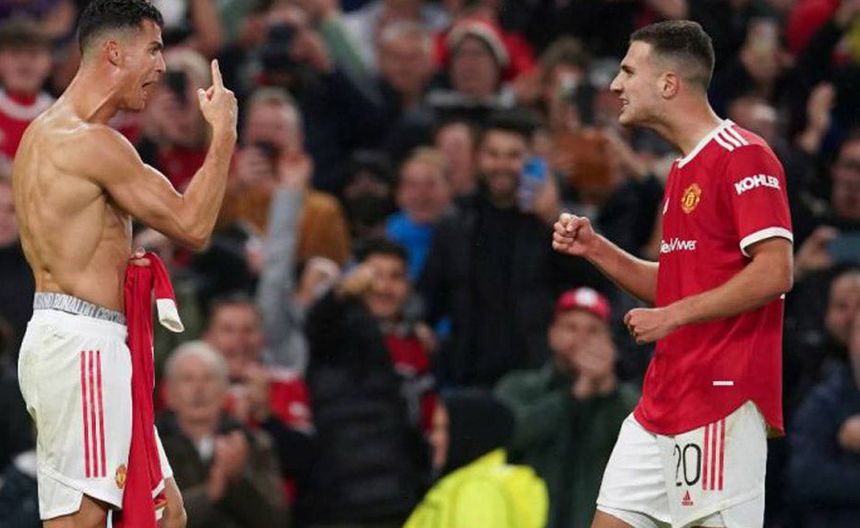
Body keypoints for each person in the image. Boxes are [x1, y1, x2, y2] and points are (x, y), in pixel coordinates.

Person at [553, 21, 793, 528]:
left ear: (668, 84)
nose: (615, 85)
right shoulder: (683, 170)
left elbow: (775, 270)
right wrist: (596, 249)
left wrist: (673, 316)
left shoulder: (743, 155)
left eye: (627, 71)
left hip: (721, 394)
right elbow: (678, 283)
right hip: (663, 398)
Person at [12, 0, 237, 526]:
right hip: (83, 347)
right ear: (114, 52)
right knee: (81, 521)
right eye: (154, 49)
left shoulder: (46, 134)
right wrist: (223, 134)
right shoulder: (92, 144)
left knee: (165, 515)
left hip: (83, 341)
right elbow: (193, 225)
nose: (162, 66)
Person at [495, 288, 639, 528]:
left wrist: (608, 391)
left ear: (609, 342)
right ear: (552, 334)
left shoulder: (628, 401)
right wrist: (574, 396)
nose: (581, 338)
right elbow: (510, 437)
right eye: (571, 328)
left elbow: (644, 455)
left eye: (593, 331)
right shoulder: (519, 387)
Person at [156, 341, 288, 528]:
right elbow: (151, 517)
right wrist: (210, 493)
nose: (199, 389)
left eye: (208, 379)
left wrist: (238, 480)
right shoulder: (152, 447)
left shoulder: (253, 442)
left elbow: (277, 519)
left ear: (224, 390)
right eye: (188, 379)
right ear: (169, 393)